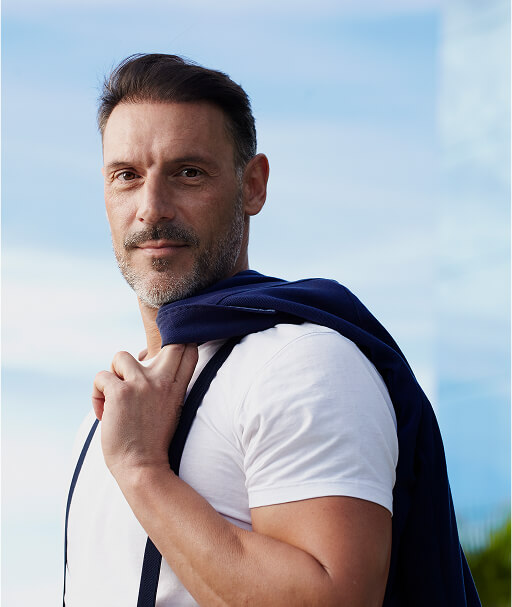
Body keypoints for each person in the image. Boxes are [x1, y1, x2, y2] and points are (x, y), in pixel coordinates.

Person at [64, 54, 480, 607]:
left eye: (188, 173)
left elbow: (334, 599)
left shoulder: (303, 363)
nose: (152, 208)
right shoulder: (112, 413)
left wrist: (142, 472)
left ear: (253, 186)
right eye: (127, 176)